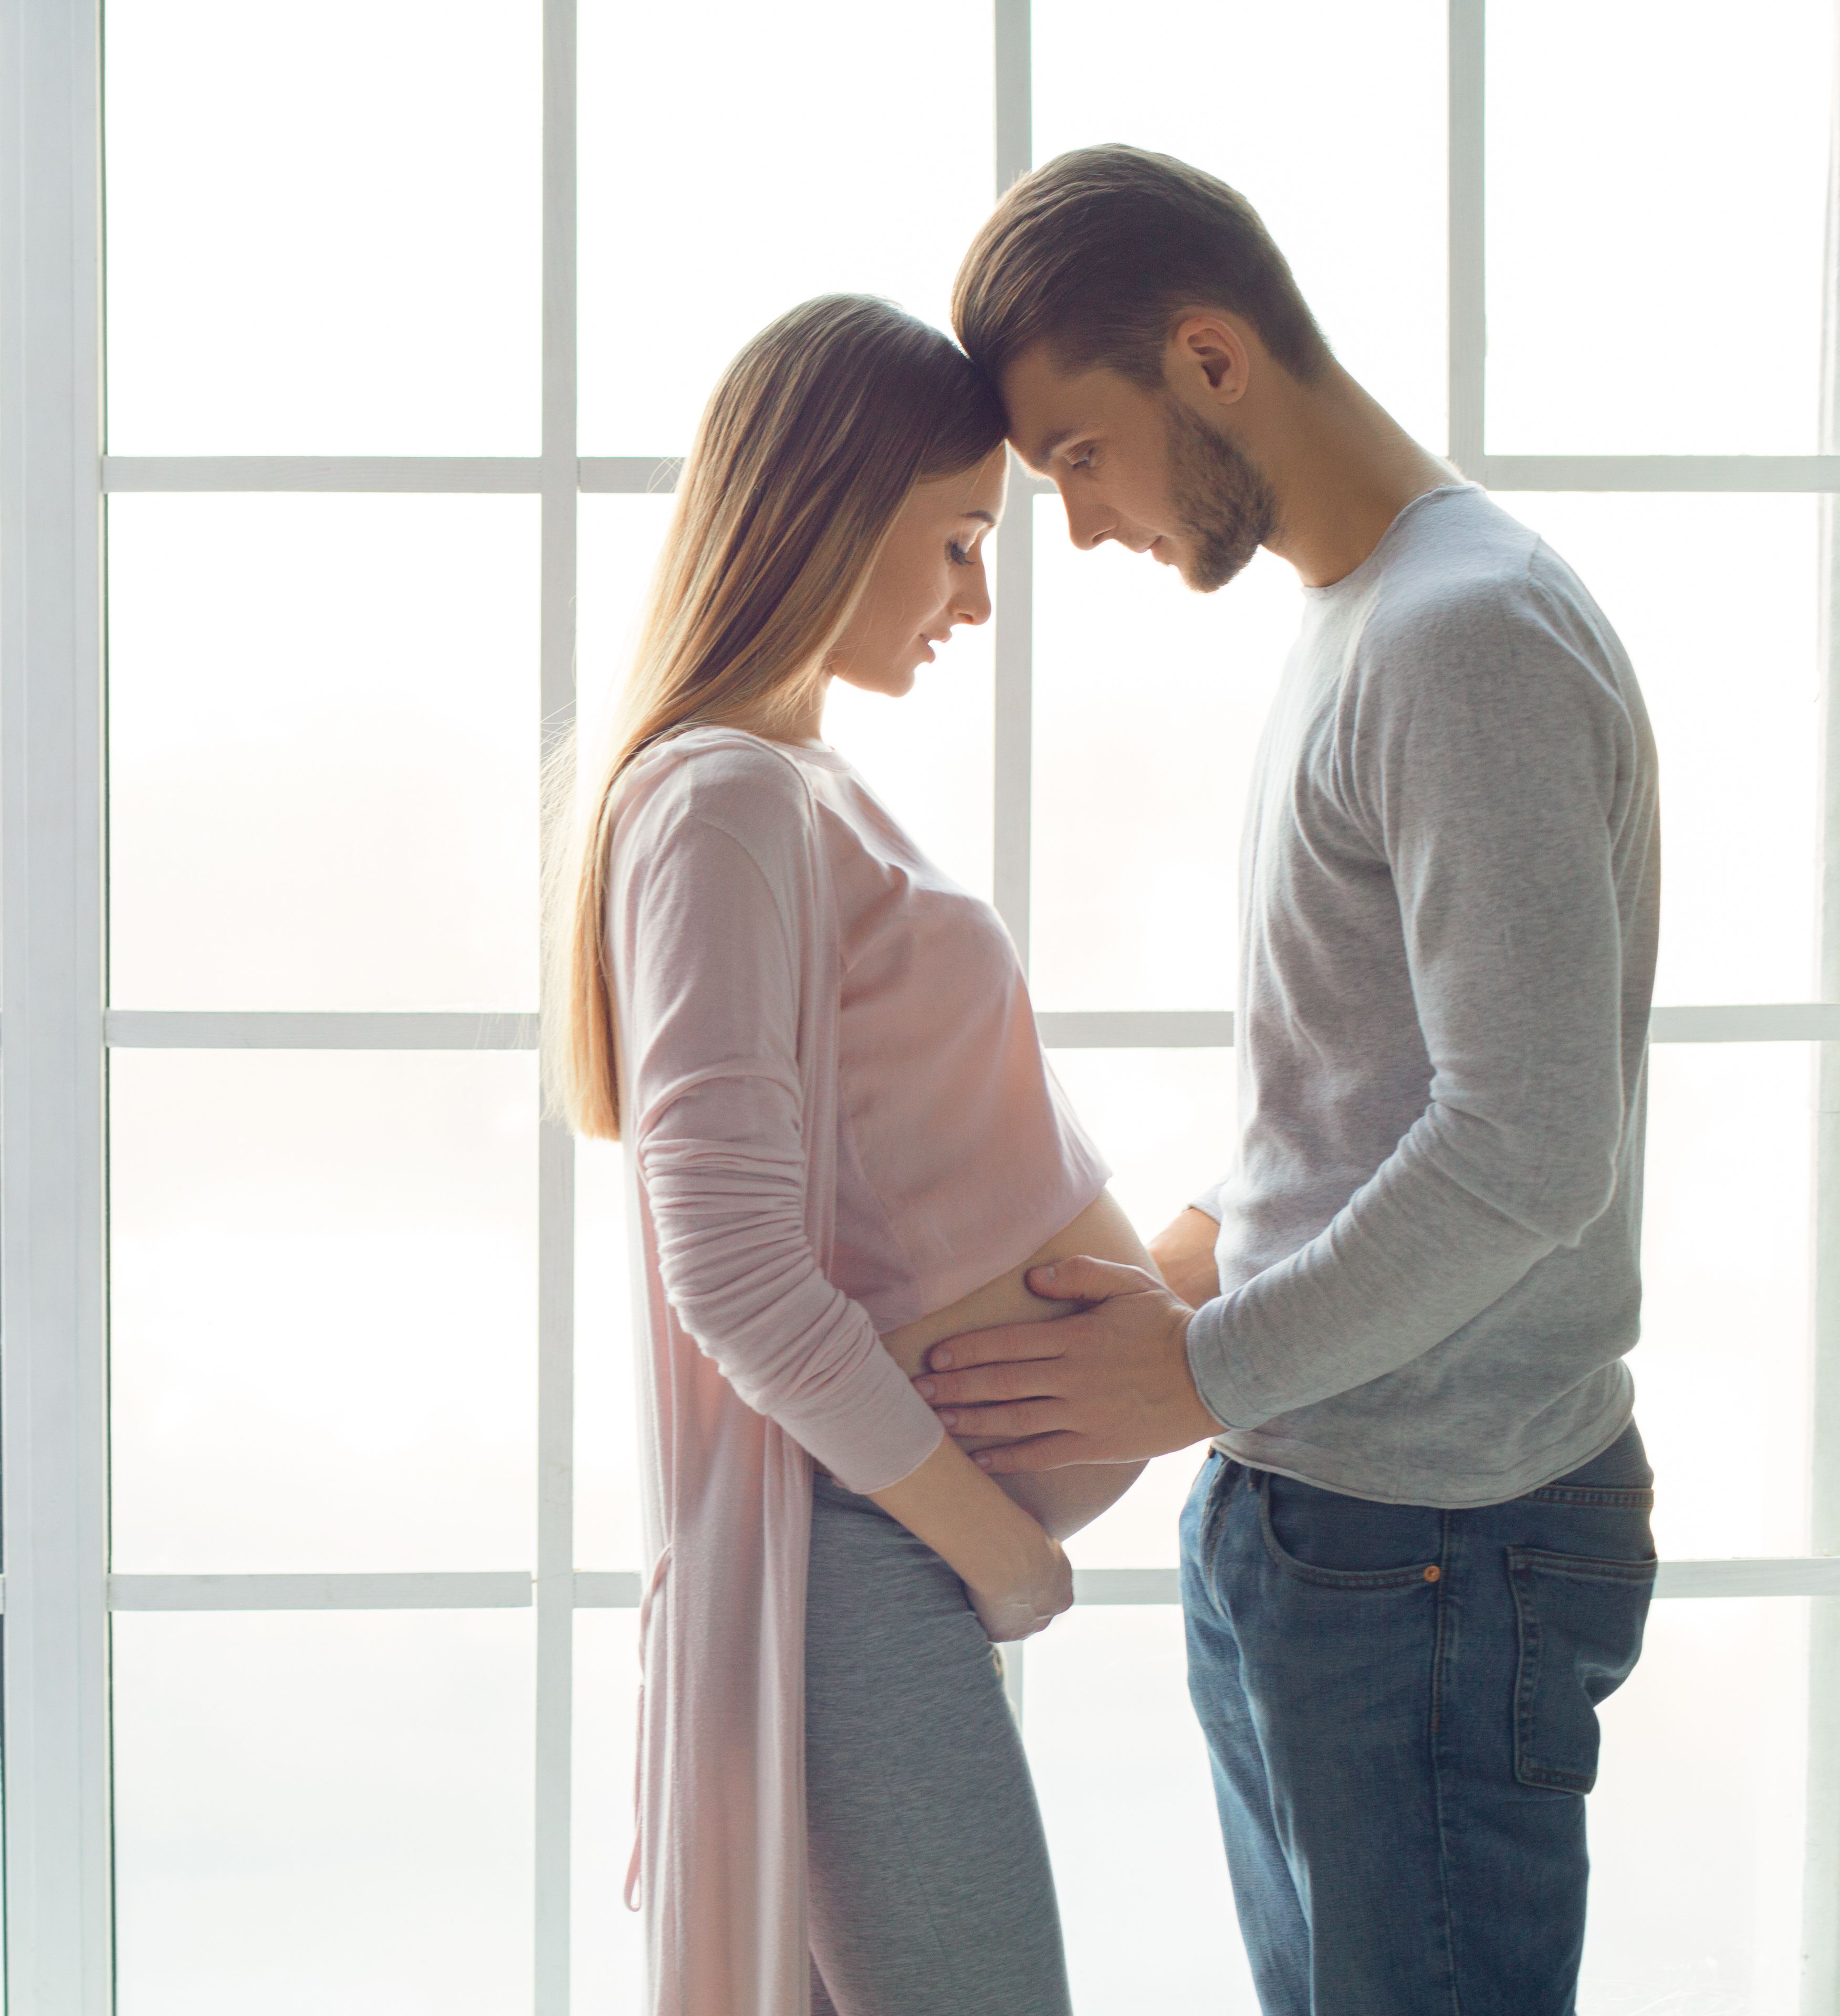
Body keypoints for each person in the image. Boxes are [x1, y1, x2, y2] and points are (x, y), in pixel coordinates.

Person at [919, 146, 1662, 2014]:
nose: (1075, 529)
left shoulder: (1461, 638)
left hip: (1432, 1557)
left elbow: (1526, 1143)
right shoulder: (1373, 623)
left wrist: (1197, 1366)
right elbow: (1361, 1102)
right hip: (1335, 1533)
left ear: (1212, 358)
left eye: (1081, 455)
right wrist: (1172, 1274)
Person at [547, 293, 1153, 2016]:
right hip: (872, 1563)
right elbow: (727, 1264)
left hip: (889, 1566)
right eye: (960, 541)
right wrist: (991, 1543)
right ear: (829, 509)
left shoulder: (795, 779)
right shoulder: (727, 798)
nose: (977, 596)